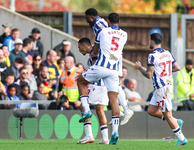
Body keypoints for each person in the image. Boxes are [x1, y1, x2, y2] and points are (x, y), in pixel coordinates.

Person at [77, 13, 127, 145]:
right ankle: (114, 132)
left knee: (80, 80)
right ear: (119, 21)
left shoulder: (103, 31)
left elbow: (96, 50)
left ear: (108, 21)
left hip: (102, 68)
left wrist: (93, 53)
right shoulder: (124, 34)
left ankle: (87, 113)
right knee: (113, 102)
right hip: (114, 70)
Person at [135, 32, 188, 145]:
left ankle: (182, 138)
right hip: (165, 86)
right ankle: (176, 121)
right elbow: (177, 67)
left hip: (162, 88)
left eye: (149, 40)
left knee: (168, 115)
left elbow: (149, 75)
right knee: (151, 111)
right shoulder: (167, 53)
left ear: (152, 41)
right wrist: (165, 72)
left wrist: (139, 68)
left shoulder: (152, 56)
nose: (149, 42)